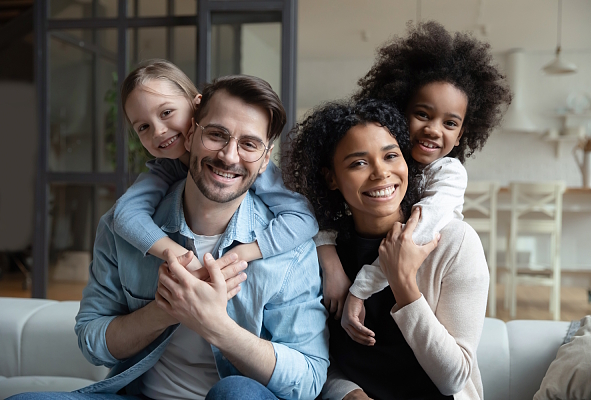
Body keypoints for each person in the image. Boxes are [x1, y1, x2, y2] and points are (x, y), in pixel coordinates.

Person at [10, 75, 329, 400]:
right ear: (190, 135)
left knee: (237, 393)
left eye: (249, 144)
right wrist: (165, 310)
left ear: (264, 160)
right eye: (217, 135)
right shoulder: (127, 226)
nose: (229, 156)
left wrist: (215, 325)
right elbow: (93, 344)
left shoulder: (288, 247)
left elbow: (308, 380)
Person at [283, 98, 489, 399]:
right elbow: (314, 360)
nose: (381, 173)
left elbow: (454, 378)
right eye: (358, 163)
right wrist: (348, 394)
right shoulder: (321, 255)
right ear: (331, 178)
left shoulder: (454, 244)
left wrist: (404, 284)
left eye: (391, 156)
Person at [315, 21, 511, 337]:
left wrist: (358, 289)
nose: (434, 129)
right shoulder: (385, 165)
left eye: (450, 123)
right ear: (400, 110)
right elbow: (320, 207)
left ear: (462, 134)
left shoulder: (447, 175)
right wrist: (331, 263)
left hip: (423, 280)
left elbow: (412, 239)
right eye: (423, 114)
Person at [114, 59, 318, 273]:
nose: (158, 131)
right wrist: (181, 257)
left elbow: (303, 217)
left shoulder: (246, 164)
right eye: (143, 127)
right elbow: (125, 215)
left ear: (197, 105)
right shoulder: (164, 169)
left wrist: (243, 253)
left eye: (166, 113)